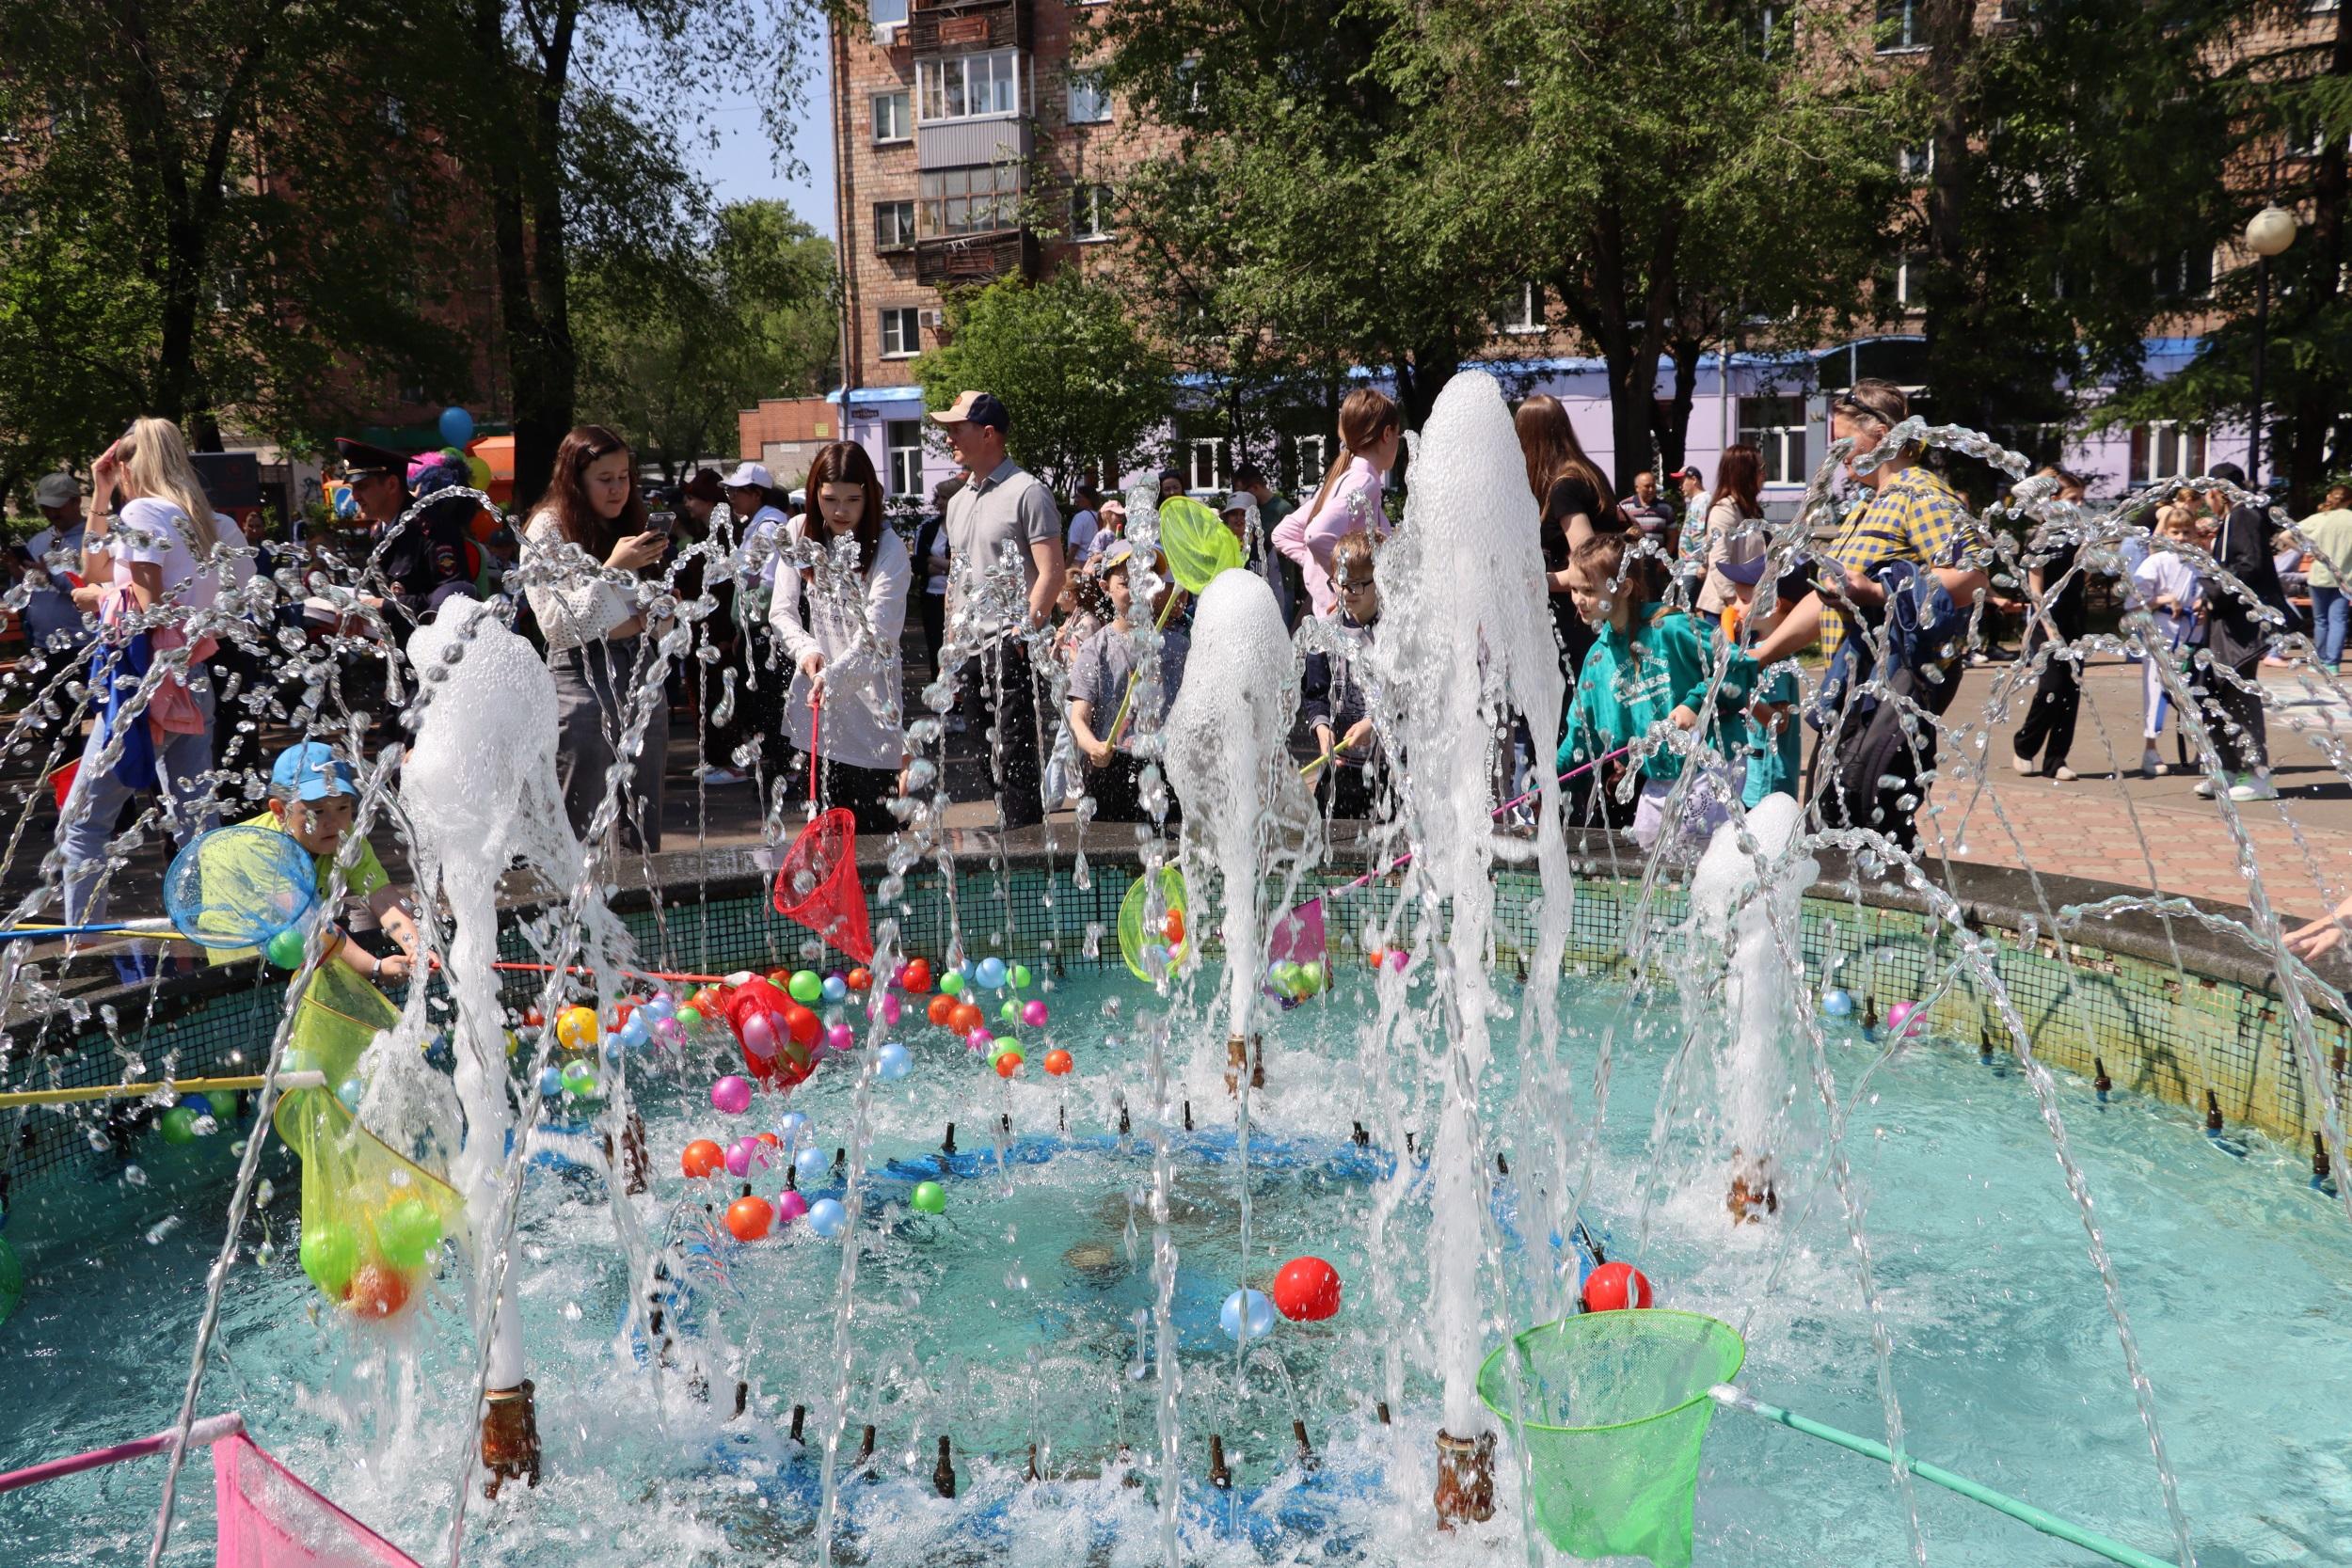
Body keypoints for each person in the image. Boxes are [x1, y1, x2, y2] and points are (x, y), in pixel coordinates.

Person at [1744, 379, 1988, 852]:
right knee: (1832, 814)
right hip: (1854, 688)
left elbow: (1972, 576)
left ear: (1879, 433)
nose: (1836, 453)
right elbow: (1825, 598)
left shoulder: (1921, 492)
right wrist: (1761, 654)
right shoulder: (1867, 506)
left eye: (1842, 441)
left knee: (1866, 811)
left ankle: (1899, 916)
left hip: (1897, 686)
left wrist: (1875, 590)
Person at [57, 417, 248, 946]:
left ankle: (83, 949)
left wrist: (99, 602)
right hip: (193, 677)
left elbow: (145, 608)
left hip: (146, 683)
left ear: (127, 464)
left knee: (84, 820)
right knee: (194, 815)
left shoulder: (143, 510)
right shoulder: (214, 523)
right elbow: (97, 565)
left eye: (113, 471)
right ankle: (213, 930)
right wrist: (99, 491)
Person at [520, 424, 671, 852]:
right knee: (580, 816)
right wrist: (613, 569)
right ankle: (573, 909)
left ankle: (641, 910)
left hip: (641, 667)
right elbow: (556, 624)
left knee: (642, 819)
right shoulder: (547, 528)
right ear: (575, 479)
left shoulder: (629, 520)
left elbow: (642, 613)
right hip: (581, 676)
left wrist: (661, 609)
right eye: (605, 479)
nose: (618, 488)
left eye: (624, 476)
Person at [1558, 531, 1746, 849]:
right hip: (1660, 779)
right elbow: (1580, 735)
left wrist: (1696, 702)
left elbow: (1736, 663)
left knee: (1693, 864)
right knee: (1648, 857)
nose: (1577, 599)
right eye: (1574, 589)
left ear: (1624, 587)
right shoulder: (1598, 659)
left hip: (1709, 765)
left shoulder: (1669, 627)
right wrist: (1548, 778)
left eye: (1588, 590)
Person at [767, 441, 912, 835]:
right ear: (815, 496)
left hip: (873, 718)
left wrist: (832, 677)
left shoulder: (890, 550)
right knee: (825, 844)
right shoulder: (798, 532)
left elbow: (880, 639)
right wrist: (806, 649)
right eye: (830, 499)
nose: (841, 511)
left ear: (871, 498)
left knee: (874, 843)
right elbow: (781, 611)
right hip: (818, 716)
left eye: (853, 499)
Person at [936, 390, 1066, 830]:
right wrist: (948, 652)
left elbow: (1052, 573)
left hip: (1010, 649)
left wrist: (1022, 637)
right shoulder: (957, 502)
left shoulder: (1028, 492)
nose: (950, 437)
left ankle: (1027, 851)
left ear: (988, 433)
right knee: (983, 757)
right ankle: (1013, 842)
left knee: (1015, 761)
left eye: (958, 428)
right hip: (969, 651)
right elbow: (957, 580)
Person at [210, 742, 421, 985]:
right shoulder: (257, 847)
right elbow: (310, 927)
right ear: (280, 811)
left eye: (343, 807)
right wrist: (375, 969)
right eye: (317, 812)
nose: (334, 822)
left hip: (307, 948)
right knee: (291, 944)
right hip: (235, 960)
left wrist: (415, 949)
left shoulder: (346, 836)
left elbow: (382, 897)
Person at [1067, 540, 1189, 821]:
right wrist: (1093, 747)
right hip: (1113, 767)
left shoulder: (1179, 647)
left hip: (1167, 768)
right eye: (1125, 582)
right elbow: (1078, 719)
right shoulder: (1095, 648)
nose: (1137, 590)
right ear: (1104, 587)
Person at [2194, 462, 2288, 801]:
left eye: (2209, 494)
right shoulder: (2234, 517)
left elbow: (2250, 564)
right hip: (2230, 620)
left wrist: (2211, 588)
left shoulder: (2244, 515)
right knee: (2217, 691)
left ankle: (2257, 774)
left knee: (2240, 694)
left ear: (2218, 490)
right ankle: (2227, 769)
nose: (2208, 501)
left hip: (2243, 624)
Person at [1515, 392, 1619, 673]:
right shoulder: (1587, 473)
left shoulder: (1565, 486)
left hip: (1578, 624)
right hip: (1596, 617)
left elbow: (1589, 567)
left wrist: (1536, 581)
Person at [1276, 388, 1401, 618]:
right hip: (1350, 629)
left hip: (1337, 625)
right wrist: (1347, 583)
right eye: (1398, 436)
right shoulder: (1364, 481)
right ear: (1387, 434)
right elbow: (1316, 535)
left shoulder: (1342, 480)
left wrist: (1319, 570)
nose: (1398, 443)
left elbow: (1283, 533)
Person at [335, 437, 477, 632]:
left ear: (392, 485)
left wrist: (384, 607)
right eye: (353, 488)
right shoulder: (380, 532)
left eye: (362, 486)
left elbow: (454, 599)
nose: (354, 497)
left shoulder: (432, 530)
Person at [1300, 530, 1391, 821]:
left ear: (1383, 580)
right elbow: (1316, 693)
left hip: (1390, 769)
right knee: (1334, 839)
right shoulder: (1325, 634)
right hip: (1342, 767)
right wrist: (1322, 730)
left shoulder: (1396, 633)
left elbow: (1408, 693)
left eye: (1356, 585)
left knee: (1393, 847)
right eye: (1340, 583)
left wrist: (1374, 722)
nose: (1345, 593)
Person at [2009, 467, 2091, 783]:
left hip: (2074, 620)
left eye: (2082, 499)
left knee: (2071, 691)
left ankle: (2056, 760)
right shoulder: (2040, 537)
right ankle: (2024, 746)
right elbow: (2035, 589)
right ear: (2054, 501)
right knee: (2051, 688)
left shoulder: (2079, 536)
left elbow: (2083, 578)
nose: (2080, 505)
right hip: (2046, 623)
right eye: (2073, 499)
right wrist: (2047, 625)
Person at [1716, 534, 1803, 807]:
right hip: (1754, 777)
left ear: (1772, 605)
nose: (1734, 607)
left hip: (1767, 783)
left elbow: (1780, 721)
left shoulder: (1773, 659)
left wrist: (1740, 695)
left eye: (1743, 599)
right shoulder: (1756, 649)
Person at [2133, 503, 2204, 777]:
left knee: (2196, 693)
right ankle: (2150, 750)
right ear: (2165, 534)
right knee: (2156, 691)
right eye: (2175, 531)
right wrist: (2164, 599)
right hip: (2162, 633)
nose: (2181, 538)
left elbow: (2211, 589)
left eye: (2186, 532)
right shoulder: (2155, 562)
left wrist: (2203, 604)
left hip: (2193, 634)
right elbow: (2135, 602)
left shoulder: (2200, 561)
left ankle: (2202, 748)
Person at [19, 472, 91, 657]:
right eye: (45, 507)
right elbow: (29, 594)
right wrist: (20, 577)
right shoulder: (37, 541)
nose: (51, 513)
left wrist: (52, 576)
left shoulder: (92, 541)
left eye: (57, 507)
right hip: (43, 645)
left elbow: (92, 590)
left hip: (83, 645)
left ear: (76, 501)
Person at [1693, 445, 1764, 618]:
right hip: (1725, 610)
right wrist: (1733, 602)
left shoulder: (1748, 510)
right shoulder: (1724, 510)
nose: (1765, 475)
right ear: (1745, 474)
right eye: (1761, 470)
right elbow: (1719, 560)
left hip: (1746, 605)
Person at [1234, 462, 1303, 623]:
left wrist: (1268, 548)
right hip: (1254, 585)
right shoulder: (1250, 509)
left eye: (1243, 492)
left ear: (1255, 488)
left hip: (1281, 585)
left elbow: (1298, 544)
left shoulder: (1283, 510)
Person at [2298, 484, 2352, 672]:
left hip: (2319, 576)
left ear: (2330, 497)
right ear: (2349, 500)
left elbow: (2286, 534)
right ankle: (2333, 664)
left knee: (2321, 621)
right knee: (2338, 620)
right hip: (2345, 579)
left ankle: (2320, 661)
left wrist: (2306, 550)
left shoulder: (2320, 519)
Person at [911, 475, 960, 677]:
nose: (939, 502)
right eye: (938, 497)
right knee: (935, 645)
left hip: (957, 599)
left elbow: (964, 565)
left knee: (957, 646)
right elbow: (917, 562)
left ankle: (959, 696)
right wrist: (944, 567)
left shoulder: (964, 528)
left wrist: (935, 561)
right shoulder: (929, 528)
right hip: (932, 596)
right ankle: (938, 688)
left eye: (945, 498)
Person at [1220, 489, 1294, 623]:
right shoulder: (1219, 546)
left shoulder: (1264, 547)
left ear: (1254, 519)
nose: (1239, 518)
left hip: (1259, 616)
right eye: (1233, 514)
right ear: (1226, 518)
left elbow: (1276, 587)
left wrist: (1277, 619)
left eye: (1244, 514)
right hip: (1227, 615)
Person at [1618, 469, 1677, 552]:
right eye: (1647, 486)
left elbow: (1673, 535)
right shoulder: (1624, 507)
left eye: (1653, 486)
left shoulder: (1665, 508)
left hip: (1657, 559)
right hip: (1632, 559)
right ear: (1637, 488)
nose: (1651, 490)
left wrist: (1665, 558)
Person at [1067, 483, 1104, 562]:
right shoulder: (1099, 516)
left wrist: (1066, 567)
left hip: (1080, 564)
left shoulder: (1080, 517)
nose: (1076, 500)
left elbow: (1074, 546)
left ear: (1089, 499)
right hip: (1095, 562)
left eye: (1079, 497)